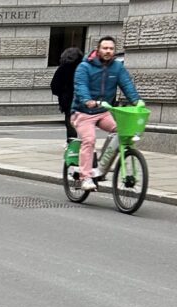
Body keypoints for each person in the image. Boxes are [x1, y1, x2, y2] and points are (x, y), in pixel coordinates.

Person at [72, 36, 142, 192]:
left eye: (111, 49)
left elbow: (127, 84)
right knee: (89, 140)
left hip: (103, 111)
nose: (108, 51)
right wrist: (87, 100)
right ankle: (85, 177)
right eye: (105, 48)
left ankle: (103, 165)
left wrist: (137, 101)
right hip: (84, 112)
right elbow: (80, 85)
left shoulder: (117, 68)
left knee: (121, 132)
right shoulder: (84, 67)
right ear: (98, 49)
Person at [51, 48, 84, 140]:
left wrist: (62, 94)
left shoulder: (62, 68)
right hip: (82, 98)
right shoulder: (83, 67)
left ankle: (72, 141)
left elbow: (54, 86)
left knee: (70, 120)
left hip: (67, 99)